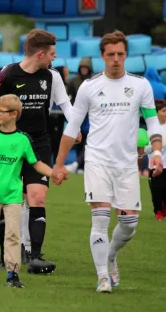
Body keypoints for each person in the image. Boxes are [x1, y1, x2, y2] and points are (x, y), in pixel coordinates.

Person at [52, 31, 164, 293]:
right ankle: (103, 276)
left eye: (120, 54)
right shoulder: (89, 87)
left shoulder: (140, 86)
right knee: (100, 219)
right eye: (110, 54)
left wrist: (156, 153)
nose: (115, 59)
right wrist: (58, 163)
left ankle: (111, 256)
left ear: (126, 55)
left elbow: (152, 122)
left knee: (129, 225)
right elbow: (72, 127)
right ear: (102, 56)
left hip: (127, 165)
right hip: (96, 161)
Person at [0, 29, 74, 274]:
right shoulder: (8, 74)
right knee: (8, 200)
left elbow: (65, 104)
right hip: (9, 143)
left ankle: (35, 257)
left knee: (37, 197)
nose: (54, 59)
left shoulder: (52, 76)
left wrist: (74, 128)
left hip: (39, 144)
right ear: (40, 53)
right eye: (51, 54)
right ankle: (5, 256)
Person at [0, 94, 56, 288]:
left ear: (14, 114)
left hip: (12, 196)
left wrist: (54, 173)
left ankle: (12, 274)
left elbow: (36, 163)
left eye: (1, 111)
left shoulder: (23, 140)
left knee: (13, 235)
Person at [66, 58, 92, 174]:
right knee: (78, 140)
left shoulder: (94, 80)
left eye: (86, 68)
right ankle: (78, 164)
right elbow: (68, 96)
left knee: (89, 141)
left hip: (91, 115)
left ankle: (82, 165)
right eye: (82, 68)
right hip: (78, 115)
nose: (84, 70)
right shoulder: (74, 80)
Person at [146, 99, 166, 220]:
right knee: (156, 191)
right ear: (157, 112)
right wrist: (155, 147)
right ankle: (158, 210)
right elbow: (146, 148)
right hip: (154, 165)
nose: (165, 113)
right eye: (163, 111)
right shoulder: (151, 129)